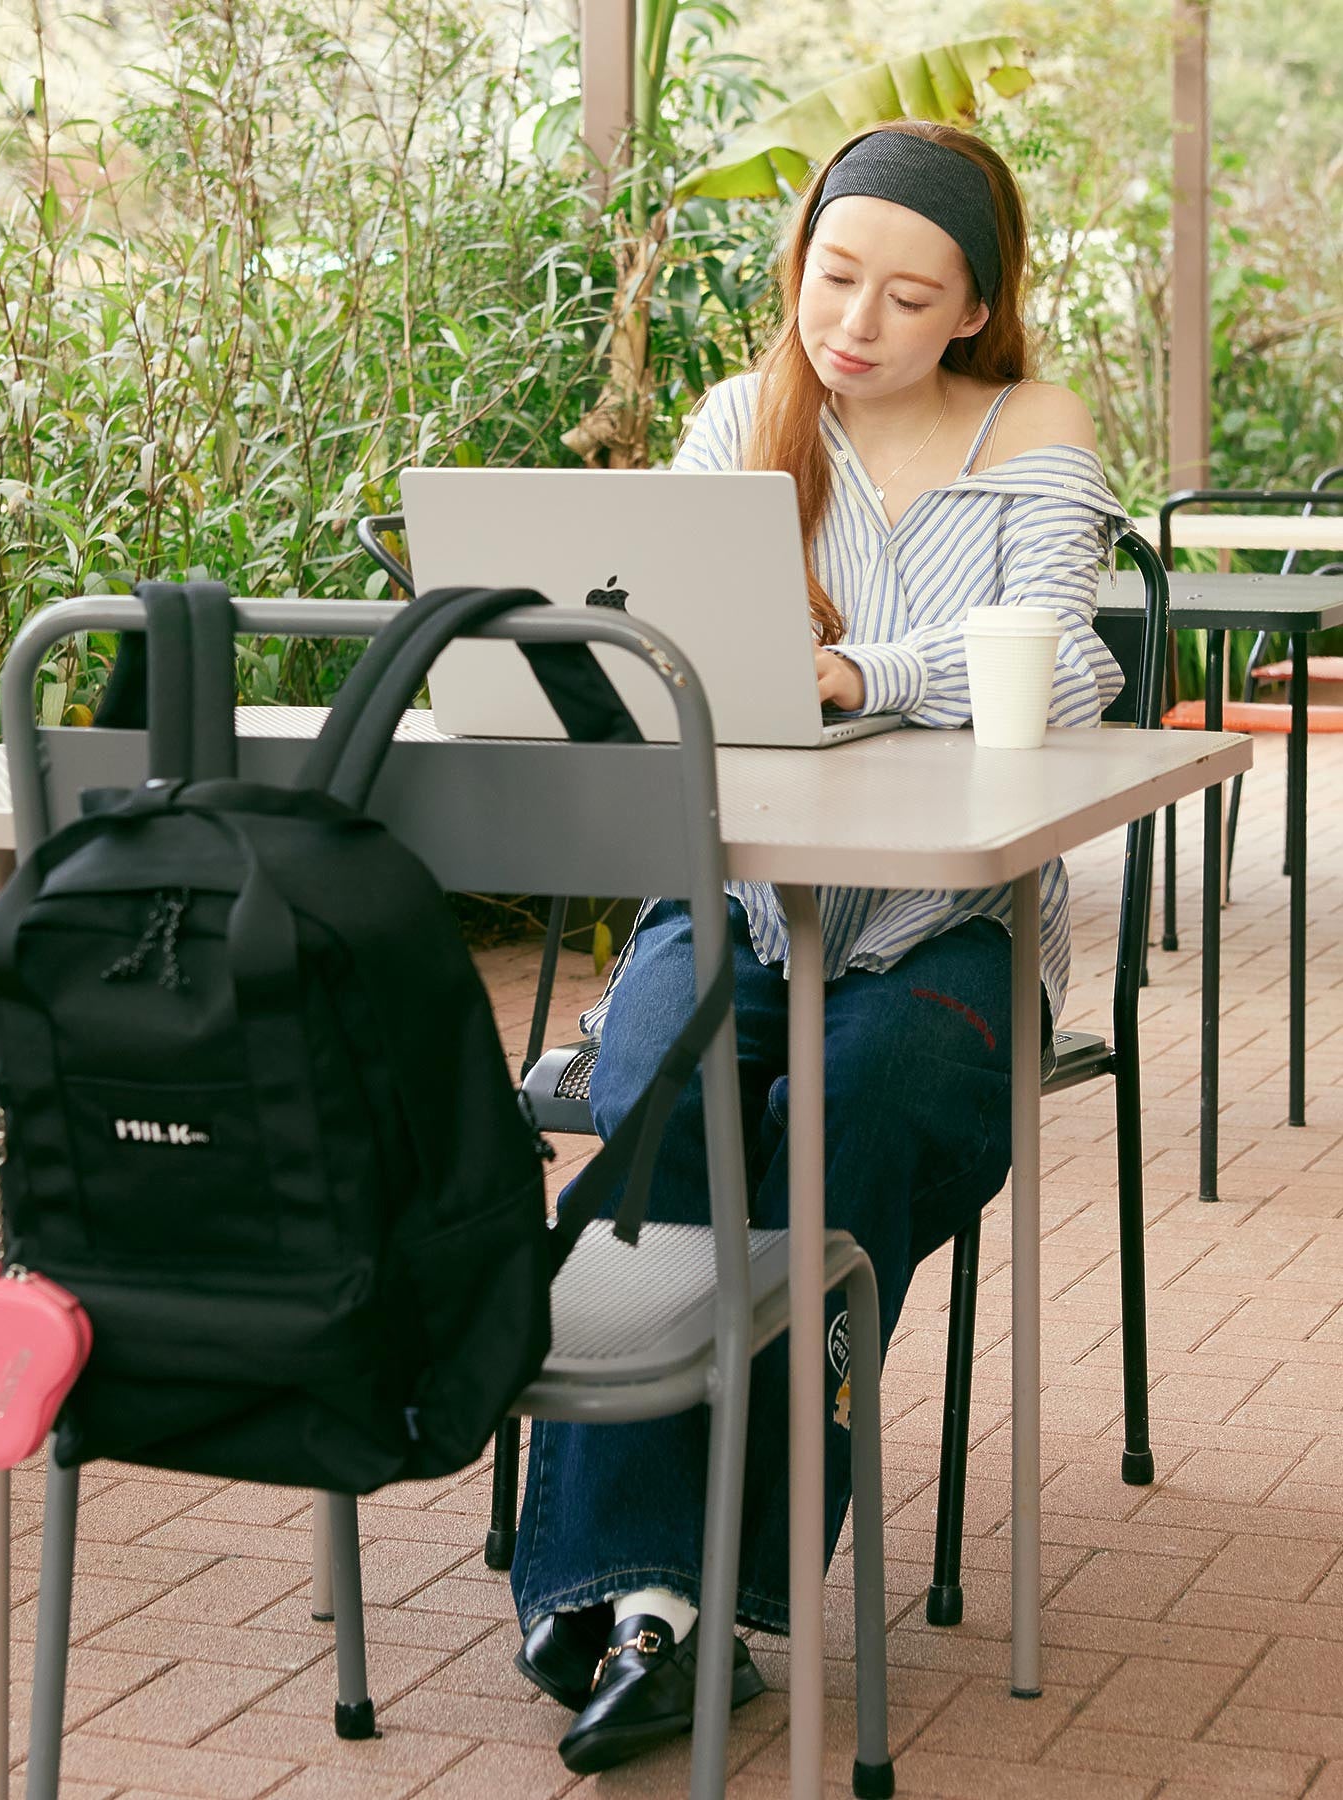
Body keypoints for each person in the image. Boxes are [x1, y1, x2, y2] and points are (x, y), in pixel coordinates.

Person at [510, 118, 1129, 1776]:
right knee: (660, 1105)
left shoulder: (1032, 427)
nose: (853, 320)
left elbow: (1070, 666)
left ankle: (678, 1609)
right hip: (726, 900)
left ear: (974, 314)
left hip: (950, 929)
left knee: (832, 1139)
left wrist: (866, 673)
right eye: (832, 276)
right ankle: (647, 1598)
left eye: (905, 293)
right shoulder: (740, 421)